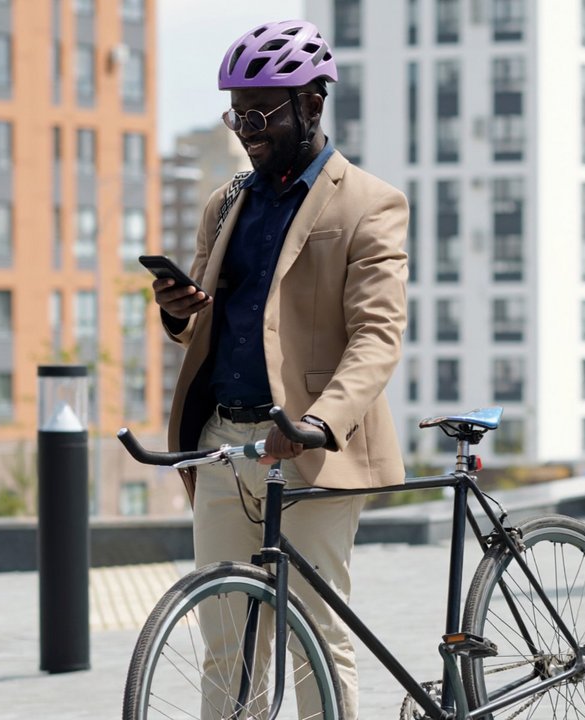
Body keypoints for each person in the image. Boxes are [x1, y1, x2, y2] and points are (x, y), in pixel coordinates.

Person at [153, 19, 407, 717]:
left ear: (312, 103)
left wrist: (318, 422)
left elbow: (378, 338)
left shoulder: (370, 204)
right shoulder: (226, 201)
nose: (245, 127)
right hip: (222, 446)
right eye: (236, 112)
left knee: (316, 643)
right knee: (226, 646)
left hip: (310, 451)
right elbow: (202, 327)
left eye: (260, 111)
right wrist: (179, 309)